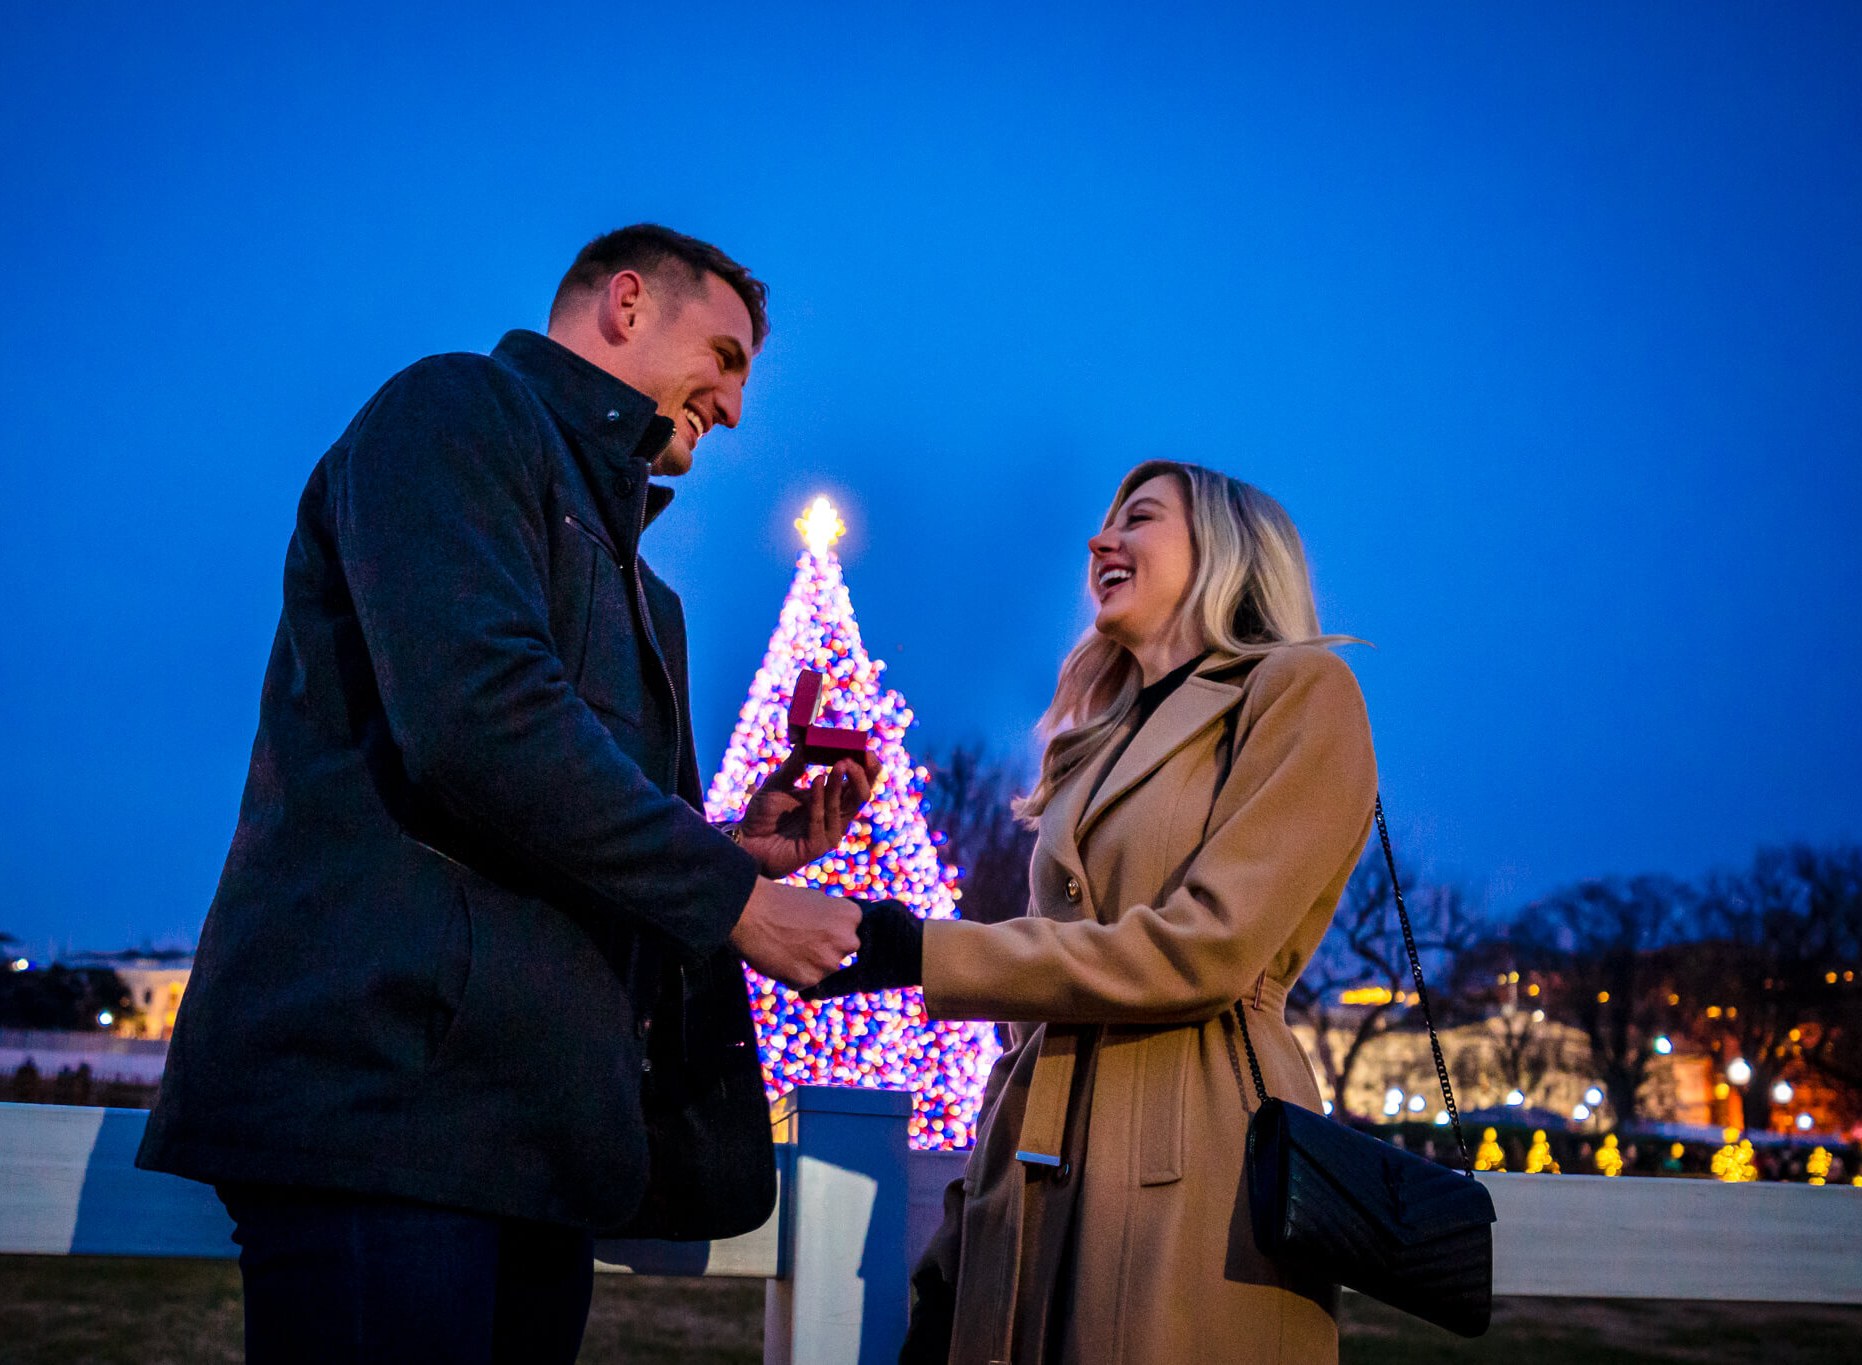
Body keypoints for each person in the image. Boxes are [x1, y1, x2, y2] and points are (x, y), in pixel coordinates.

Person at [137, 224, 877, 1364]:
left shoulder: (646, 592)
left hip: (536, 1144)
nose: (732, 407)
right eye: (725, 358)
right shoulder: (452, 410)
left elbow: (558, 815)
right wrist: (732, 899)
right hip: (382, 1109)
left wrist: (736, 841)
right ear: (625, 304)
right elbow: (477, 717)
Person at [812, 460, 1378, 1364]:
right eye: (1107, 520)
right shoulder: (1094, 743)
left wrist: (918, 949)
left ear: (1224, 550)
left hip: (1199, 1161)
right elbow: (1044, 1012)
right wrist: (959, 1248)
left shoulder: (1301, 692)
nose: (1100, 539)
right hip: (1042, 1161)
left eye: (1140, 519)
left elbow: (1208, 948)